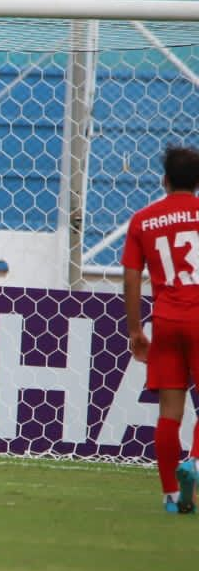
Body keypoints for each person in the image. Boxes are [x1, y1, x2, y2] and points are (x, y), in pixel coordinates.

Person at [121, 145, 199, 515]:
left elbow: (132, 277)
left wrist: (136, 329)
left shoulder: (142, 220)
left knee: (170, 412)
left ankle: (170, 496)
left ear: (164, 180)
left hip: (165, 321)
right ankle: (194, 463)